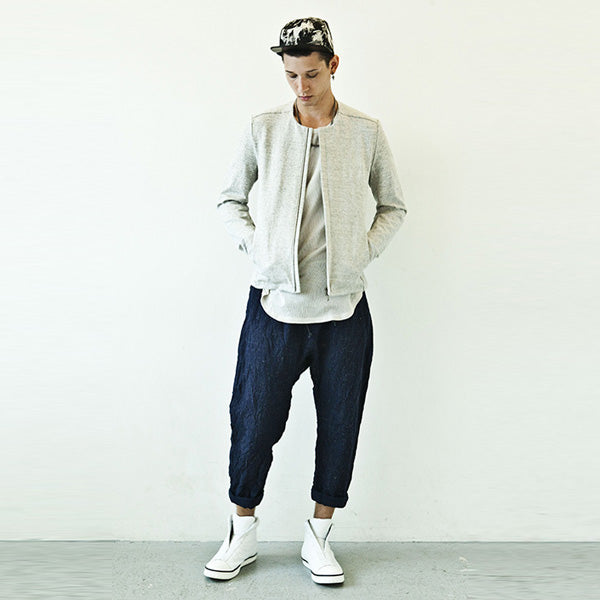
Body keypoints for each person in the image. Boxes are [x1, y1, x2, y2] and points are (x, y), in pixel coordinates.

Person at [204, 17, 407, 585]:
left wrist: (361, 253)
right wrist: (260, 248)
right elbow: (229, 200)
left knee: (340, 425)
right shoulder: (263, 128)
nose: (302, 86)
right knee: (252, 421)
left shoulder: (366, 132)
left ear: (333, 65)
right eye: (291, 75)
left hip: (344, 312)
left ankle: (318, 536)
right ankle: (241, 531)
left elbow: (393, 206)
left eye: (312, 74)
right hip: (274, 308)